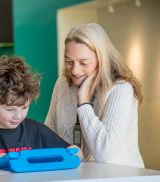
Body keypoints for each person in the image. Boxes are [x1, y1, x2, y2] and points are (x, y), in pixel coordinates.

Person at [45, 22, 144, 168]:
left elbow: (104, 152)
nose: (75, 71)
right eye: (69, 62)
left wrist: (83, 102)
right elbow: (47, 137)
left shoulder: (121, 89)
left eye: (84, 63)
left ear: (102, 60)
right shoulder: (63, 84)